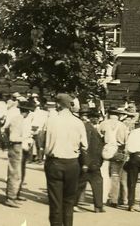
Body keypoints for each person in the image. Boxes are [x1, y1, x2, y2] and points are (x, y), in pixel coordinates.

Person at [43, 93, 87, 226]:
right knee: (69, 201)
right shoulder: (78, 122)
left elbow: (41, 139)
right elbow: (84, 145)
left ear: (58, 105)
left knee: (55, 202)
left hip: (54, 162)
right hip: (72, 163)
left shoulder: (51, 121)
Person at [98, 107, 130, 208]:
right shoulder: (122, 125)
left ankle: (103, 198)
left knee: (104, 174)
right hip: (118, 150)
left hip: (106, 149)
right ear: (118, 115)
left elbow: (100, 136)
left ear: (108, 114)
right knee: (115, 175)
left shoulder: (103, 124)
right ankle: (114, 199)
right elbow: (126, 140)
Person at [75, 106, 104, 213]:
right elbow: (85, 147)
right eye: (95, 117)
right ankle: (98, 206)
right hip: (90, 161)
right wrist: (86, 162)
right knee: (95, 182)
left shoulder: (86, 127)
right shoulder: (87, 128)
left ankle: (74, 204)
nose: (97, 119)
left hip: (89, 161)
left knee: (81, 183)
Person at [4, 100, 31, 207]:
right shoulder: (17, 120)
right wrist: (27, 137)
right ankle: (11, 197)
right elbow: (13, 137)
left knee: (20, 171)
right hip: (16, 146)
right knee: (15, 172)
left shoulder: (20, 119)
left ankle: (16, 193)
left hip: (20, 146)